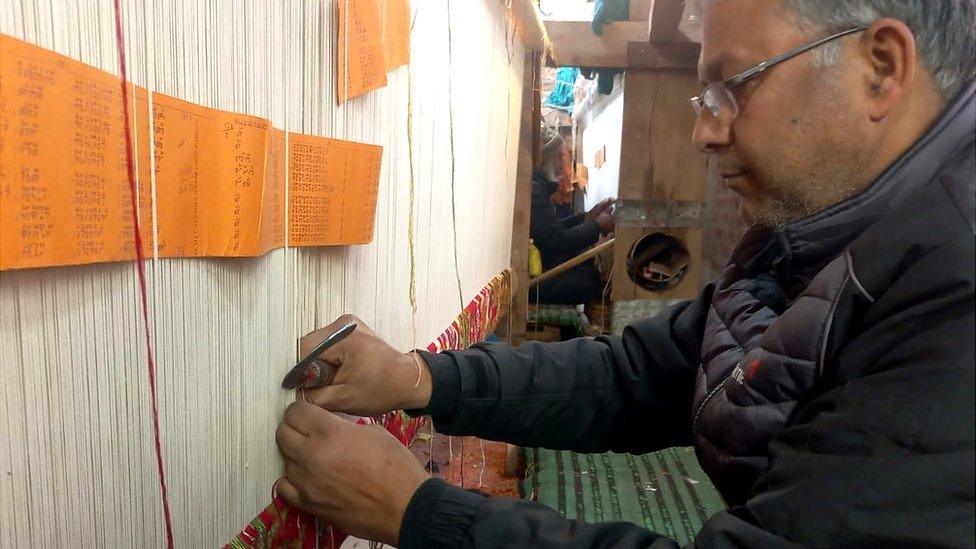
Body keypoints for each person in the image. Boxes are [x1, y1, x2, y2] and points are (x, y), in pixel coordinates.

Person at [273, 1, 975, 546]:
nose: (705, 131)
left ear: (881, 66)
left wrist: (418, 511)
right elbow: (635, 376)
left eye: (732, 87)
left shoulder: (952, 296)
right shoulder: (803, 246)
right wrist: (418, 378)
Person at [530, 126, 615, 304]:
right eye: (559, 157)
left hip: (537, 262)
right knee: (588, 281)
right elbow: (556, 242)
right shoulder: (534, 191)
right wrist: (597, 225)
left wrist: (586, 217)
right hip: (529, 278)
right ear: (546, 158)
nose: (562, 163)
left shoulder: (537, 188)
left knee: (586, 266)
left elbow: (550, 231)